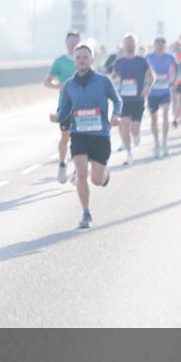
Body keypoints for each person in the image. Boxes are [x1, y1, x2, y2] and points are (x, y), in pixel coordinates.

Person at [57, 44, 123, 228]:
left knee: (96, 179)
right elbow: (64, 109)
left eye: (85, 57)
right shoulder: (69, 85)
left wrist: (116, 114)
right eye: (78, 57)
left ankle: (104, 175)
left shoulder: (103, 81)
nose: (81, 60)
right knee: (81, 174)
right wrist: (57, 116)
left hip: (100, 135)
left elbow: (117, 100)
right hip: (79, 134)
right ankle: (86, 213)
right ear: (74, 60)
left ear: (92, 59)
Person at [45, 30, 82, 183]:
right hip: (65, 105)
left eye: (76, 41)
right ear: (66, 43)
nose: (73, 43)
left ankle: (77, 170)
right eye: (70, 41)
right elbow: (47, 82)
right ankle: (62, 164)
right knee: (65, 137)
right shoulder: (60, 61)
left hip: (82, 106)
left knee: (79, 138)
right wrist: (58, 86)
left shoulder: (83, 59)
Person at [111, 33, 152, 165]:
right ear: (123, 45)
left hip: (138, 100)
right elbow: (113, 77)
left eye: (131, 42)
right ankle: (129, 154)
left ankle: (137, 133)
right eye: (127, 42)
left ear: (135, 45)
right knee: (124, 125)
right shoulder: (119, 62)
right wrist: (115, 81)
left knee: (134, 129)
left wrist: (147, 87)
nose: (129, 44)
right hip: (123, 100)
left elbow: (151, 77)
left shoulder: (142, 61)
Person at [145, 37, 178, 157]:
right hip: (152, 93)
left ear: (164, 45)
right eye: (157, 44)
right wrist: (145, 85)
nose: (159, 46)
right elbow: (143, 71)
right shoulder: (148, 57)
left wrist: (174, 80)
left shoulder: (170, 57)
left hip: (165, 91)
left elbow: (177, 68)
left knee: (165, 114)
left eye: (162, 44)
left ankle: (164, 142)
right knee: (154, 119)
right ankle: (156, 143)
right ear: (154, 45)